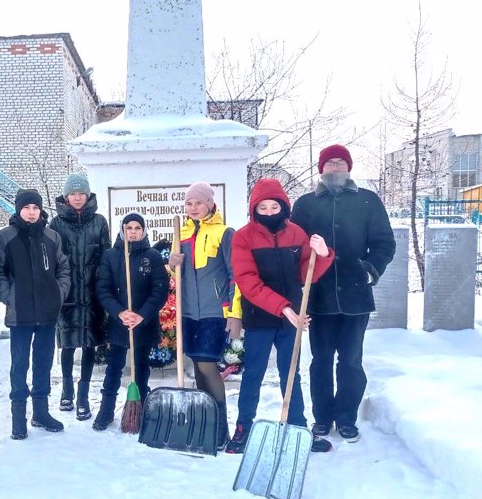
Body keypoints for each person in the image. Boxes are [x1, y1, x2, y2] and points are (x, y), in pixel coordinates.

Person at [290, 144, 396, 442]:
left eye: (340, 163)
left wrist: (368, 269)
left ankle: (346, 417)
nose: (334, 168)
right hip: (319, 297)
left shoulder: (367, 201)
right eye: (329, 163)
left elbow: (384, 243)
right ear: (320, 169)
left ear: (348, 167)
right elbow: (294, 246)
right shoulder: (306, 204)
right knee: (321, 359)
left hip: (355, 295)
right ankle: (322, 417)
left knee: (350, 360)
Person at [226, 178, 335, 454]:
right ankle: (244, 427)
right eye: (263, 207)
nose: (270, 212)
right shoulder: (243, 237)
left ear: (284, 206)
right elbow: (248, 282)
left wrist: (322, 255)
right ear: (254, 208)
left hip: (292, 319)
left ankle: (298, 427)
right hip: (260, 316)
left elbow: (305, 273)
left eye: (275, 206)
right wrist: (285, 308)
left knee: (291, 374)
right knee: (253, 373)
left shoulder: (297, 234)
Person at [168, 181, 241, 450]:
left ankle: (221, 428)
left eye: (199, 202)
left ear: (211, 204)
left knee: (208, 366)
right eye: (189, 203)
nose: (194, 207)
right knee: (197, 367)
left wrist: (234, 314)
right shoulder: (181, 234)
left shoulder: (224, 233)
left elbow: (236, 275)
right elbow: (177, 277)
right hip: (188, 313)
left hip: (214, 311)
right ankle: (206, 425)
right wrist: (171, 265)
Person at [0, 189, 71, 439]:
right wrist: (10, 298)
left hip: (47, 314)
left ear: (40, 210)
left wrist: (57, 295)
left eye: (35, 208)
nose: (31, 212)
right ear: (18, 209)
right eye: (26, 208)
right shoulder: (5, 237)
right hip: (20, 315)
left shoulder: (51, 237)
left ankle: (41, 413)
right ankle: (19, 418)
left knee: (43, 363)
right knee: (19, 366)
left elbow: (63, 269)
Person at [92, 213, 169, 430]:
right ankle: (106, 410)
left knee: (141, 367)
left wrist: (142, 314)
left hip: (143, 323)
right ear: (122, 230)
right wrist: (119, 313)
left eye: (137, 228)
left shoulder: (152, 256)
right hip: (120, 323)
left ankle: (141, 408)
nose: (133, 232)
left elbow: (159, 290)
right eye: (129, 228)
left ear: (143, 231)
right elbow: (103, 289)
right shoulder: (111, 255)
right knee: (114, 367)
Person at [49, 173, 111, 420]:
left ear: (87, 195)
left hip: (93, 292)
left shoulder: (99, 222)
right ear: (66, 196)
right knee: (67, 343)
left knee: (89, 344)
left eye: (81, 193)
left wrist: (104, 283)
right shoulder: (55, 224)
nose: (77, 197)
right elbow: (51, 259)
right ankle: (67, 390)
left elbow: (106, 255)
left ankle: (83, 395)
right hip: (67, 292)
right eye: (72, 193)